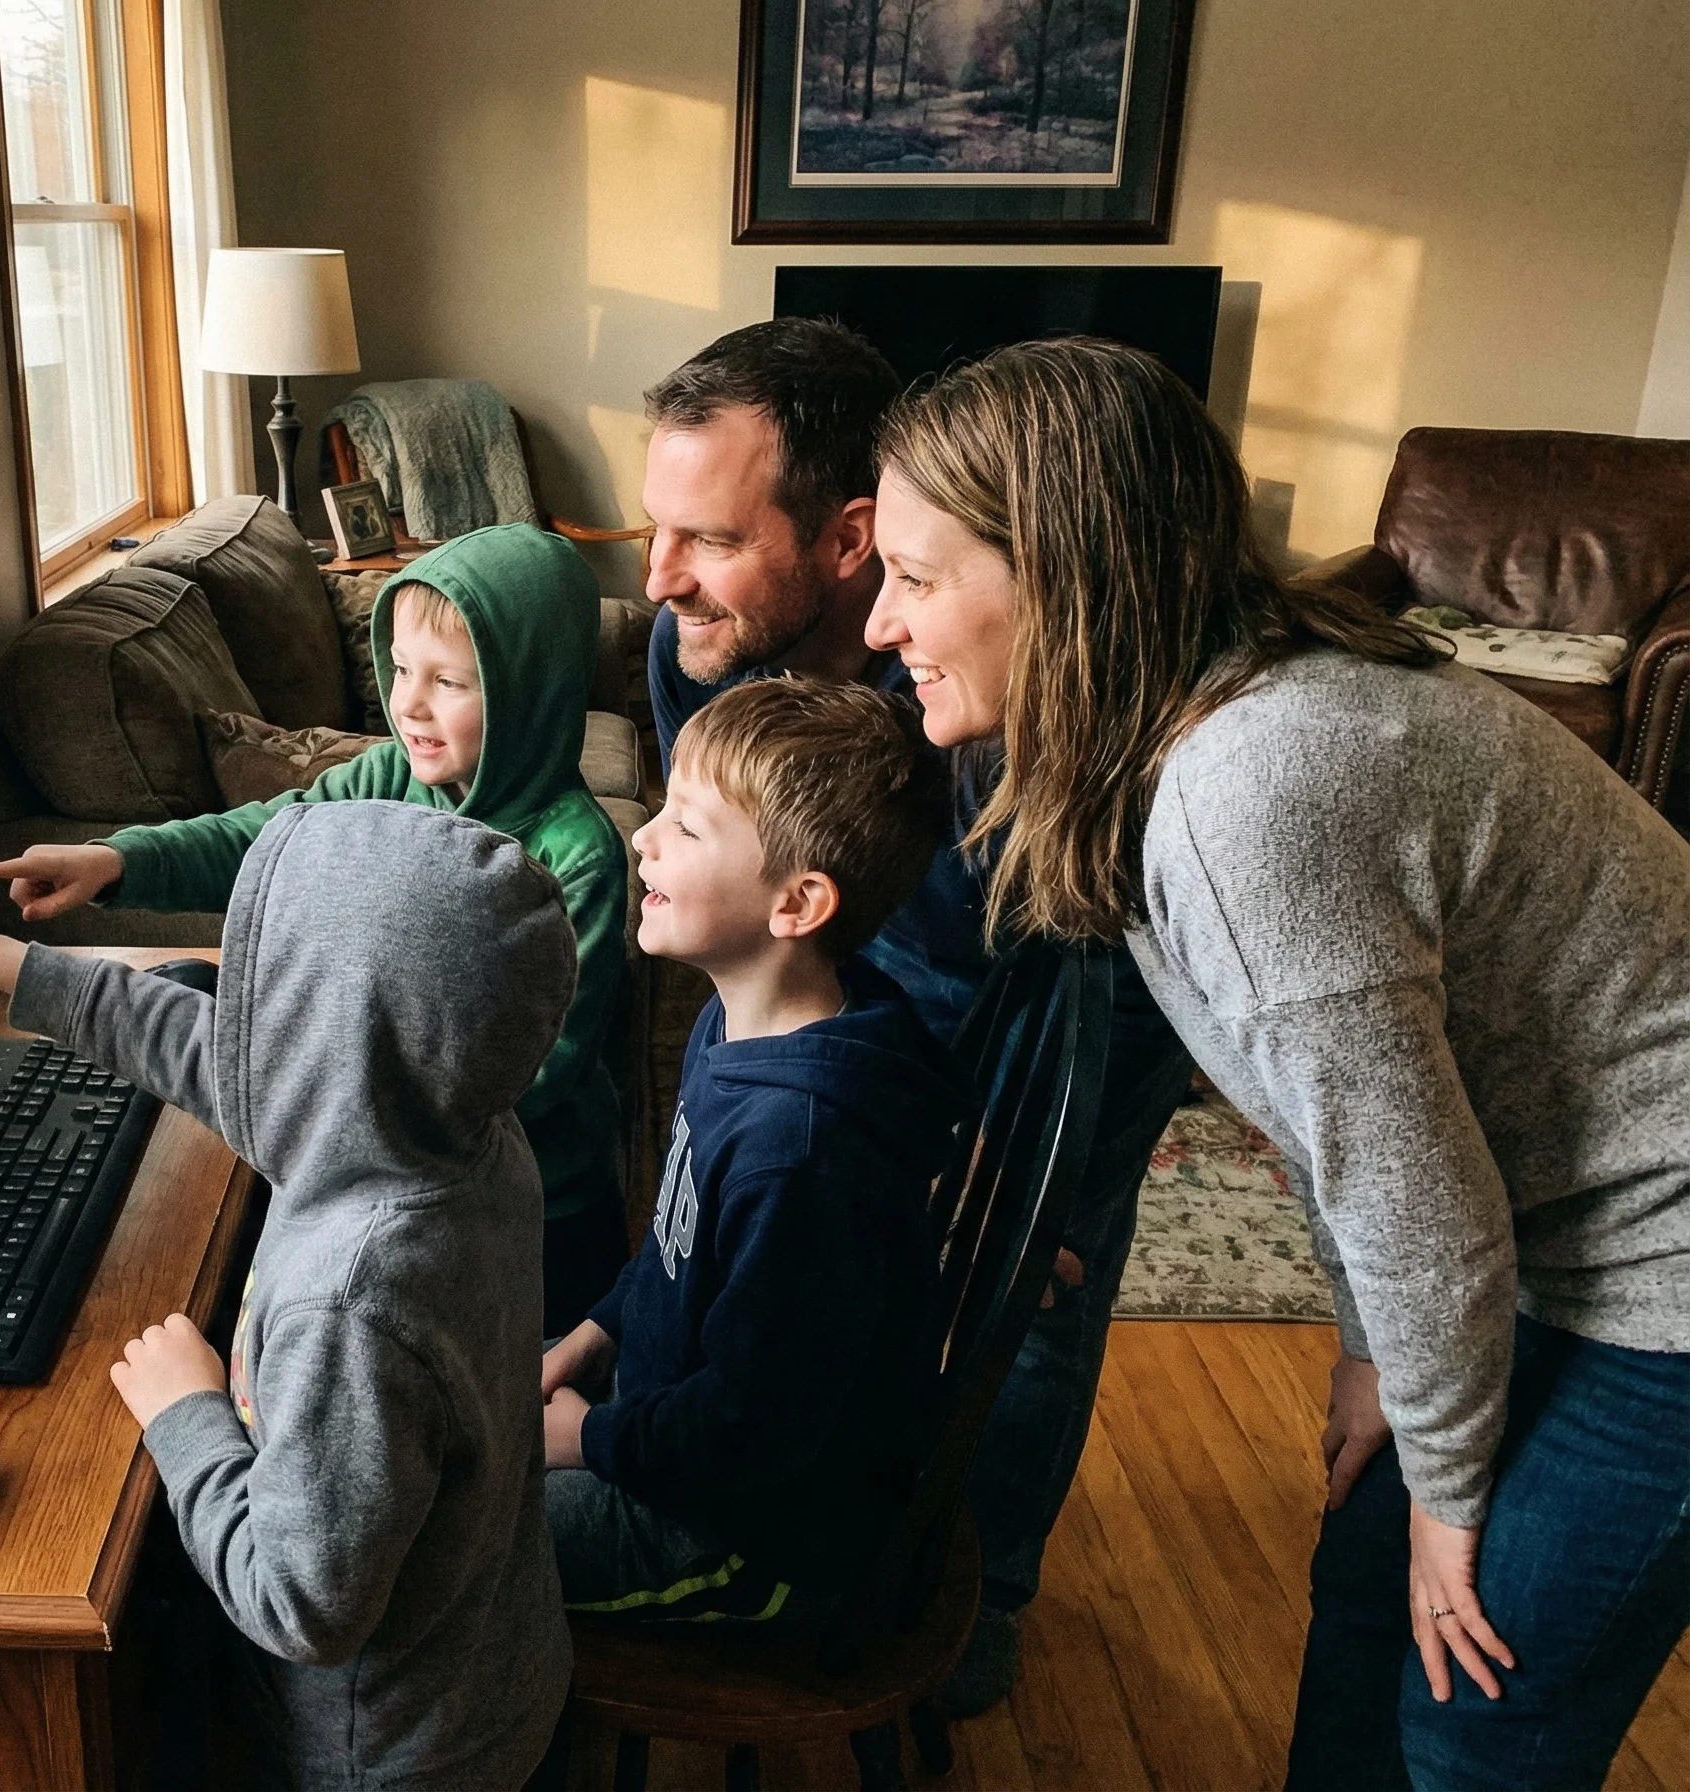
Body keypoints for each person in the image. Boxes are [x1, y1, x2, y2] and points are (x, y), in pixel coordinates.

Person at [865, 335, 1690, 1790]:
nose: (882, 624)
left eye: (916, 578)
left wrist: (1451, 1488)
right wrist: (1377, 1360)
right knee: (1369, 1590)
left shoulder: (1252, 790)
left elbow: (1415, 1204)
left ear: (1064, 580)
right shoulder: (1171, 741)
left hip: (1663, 1266)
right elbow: (1335, 1123)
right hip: (1539, 1229)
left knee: (1475, 1707)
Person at [637, 316, 1193, 1705]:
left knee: (1029, 1292)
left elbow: (1111, 973)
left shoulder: (1003, 689)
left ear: (848, 539)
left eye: (710, 538)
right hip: (854, 986)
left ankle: (984, 1582)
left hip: (1055, 986)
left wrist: (1029, 1169)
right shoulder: (697, 646)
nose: (661, 579)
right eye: (658, 530)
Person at [0, 800, 577, 1789]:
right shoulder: (455, 1127)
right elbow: (223, 1059)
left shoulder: (355, 1306)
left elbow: (299, 1605)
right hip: (490, 1660)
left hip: (380, 1753)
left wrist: (187, 1415)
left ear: (323, 1034)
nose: (243, 1010)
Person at [0, 523, 630, 1334]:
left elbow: (550, 1063)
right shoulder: (392, 774)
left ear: (532, 693)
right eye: (400, 669)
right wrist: (117, 861)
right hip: (389, 1175)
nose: (409, 704)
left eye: (449, 682)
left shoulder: (577, 853)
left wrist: (346, 1113)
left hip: (536, 1208)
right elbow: (268, 839)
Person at [540, 675, 963, 1625]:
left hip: (737, 1531)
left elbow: (755, 1428)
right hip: (659, 1418)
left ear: (797, 903)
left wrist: (586, 1441)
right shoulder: (735, 1025)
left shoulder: (803, 1156)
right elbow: (675, 1245)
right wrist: (591, 1337)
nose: (642, 838)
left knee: (431, 1538)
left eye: (687, 828)